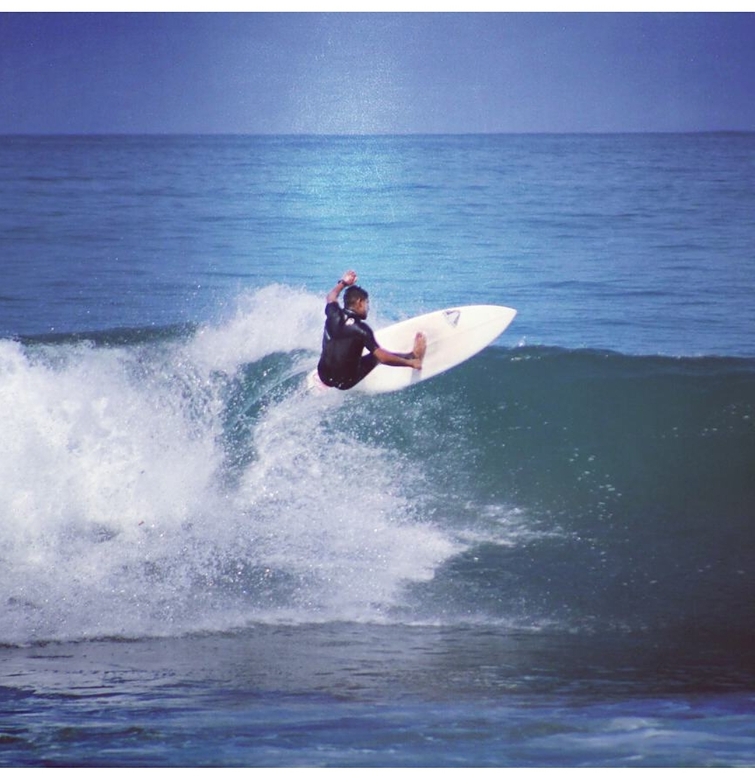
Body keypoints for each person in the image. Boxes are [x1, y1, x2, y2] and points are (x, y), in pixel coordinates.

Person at [317, 270, 426, 390]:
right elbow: (382, 357)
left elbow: (331, 296)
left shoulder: (333, 313)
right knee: (375, 357)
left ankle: (327, 380)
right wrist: (410, 364)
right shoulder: (361, 329)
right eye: (367, 303)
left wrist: (343, 282)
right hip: (344, 382)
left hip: (323, 374)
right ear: (359, 302)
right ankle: (412, 357)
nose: (368, 308)